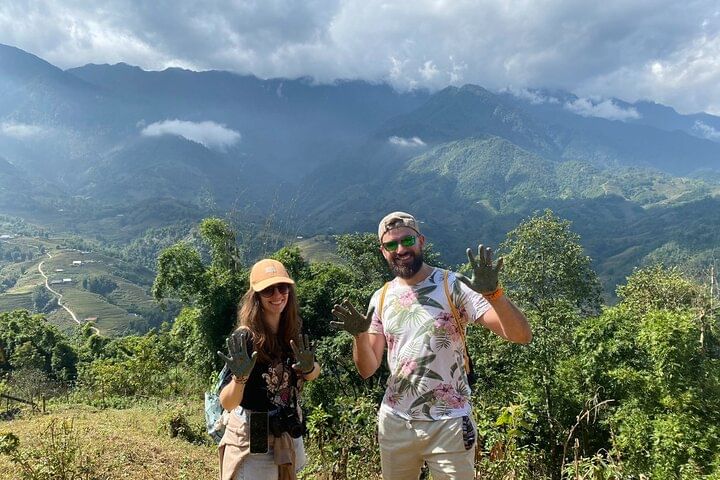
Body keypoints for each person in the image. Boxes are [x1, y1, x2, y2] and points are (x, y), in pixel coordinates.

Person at [331, 211, 532, 480]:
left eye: (407, 240)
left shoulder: (453, 286)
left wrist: (494, 294)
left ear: (421, 240)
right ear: (383, 251)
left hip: (450, 422)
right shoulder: (381, 297)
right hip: (396, 422)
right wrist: (358, 336)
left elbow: (521, 335)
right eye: (391, 244)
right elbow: (367, 369)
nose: (400, 250)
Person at [217, 258, 320, 480]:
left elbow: (313, 372)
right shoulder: (245, 338)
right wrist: (240, 378)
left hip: (288, 426)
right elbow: (227, 403)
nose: (277, 295)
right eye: (268, 290)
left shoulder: (294, 329)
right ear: (256, 296)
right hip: (255, 428)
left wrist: (309, 368)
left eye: (282, 288)